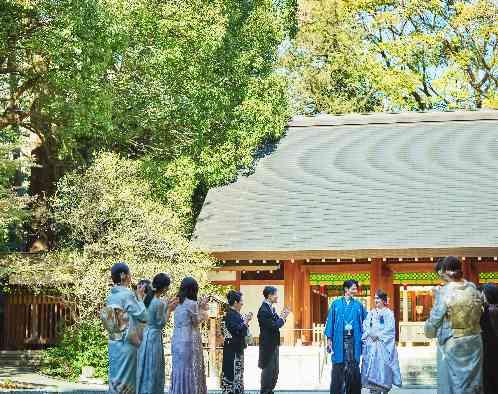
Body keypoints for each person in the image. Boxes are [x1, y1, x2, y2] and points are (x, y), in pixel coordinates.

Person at [424, 256, 483, 394]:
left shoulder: (444, 291)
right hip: (474, 341)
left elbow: (435, 320)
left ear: (444, 271)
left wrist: (429, 330)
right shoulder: (472, 287)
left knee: (452, 384)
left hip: (453, 342)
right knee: (473, 384)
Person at [101, 262, 148, 394]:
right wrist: (139, 297)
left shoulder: (111, 296)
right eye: (129, 274)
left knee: (115, 376)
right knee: (127, 379)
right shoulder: (127, 295)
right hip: (127, 341)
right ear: (123, 275)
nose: (130, 277)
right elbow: (143, 315)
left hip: (114, 342)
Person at [136, 273, 178, 394]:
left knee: (144, 367)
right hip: (154, 337)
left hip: (144, 335)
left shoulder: (147, 299)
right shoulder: (158, 303)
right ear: (165, 288)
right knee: (153, 367)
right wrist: (170, 310)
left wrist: (167, 306)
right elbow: (161, 323)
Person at [325, 279, 367, 394]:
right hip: (339, 339)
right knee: (338, 365)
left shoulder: (358, 305)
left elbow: (367, 320)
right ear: (346, 289)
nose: (355, 290)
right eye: (353, 288)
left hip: (354, 339)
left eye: (355, 288)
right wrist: (329, 339)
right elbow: (330, 322)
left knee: (353, 366)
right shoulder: (335, 304)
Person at [169, 277, 209, 394]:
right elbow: (196, 320)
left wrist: (200, 306)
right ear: (193, 290)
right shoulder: (191, 304)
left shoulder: (177, 302)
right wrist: (203, 309)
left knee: (179, 369)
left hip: (176, 339)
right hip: (189, 340)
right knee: (191, 369)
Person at [361, 289, 402, 393]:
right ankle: (373, 390)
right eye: (374, 298)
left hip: (383, 346)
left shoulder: (389, 313)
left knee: (383, 370)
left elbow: (390, 329)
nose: (375, 300)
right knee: (371, 371)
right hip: (371, 346)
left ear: (384, 300)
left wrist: (378, 335)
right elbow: (365, 325)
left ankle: (383, 388)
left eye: (378, 298)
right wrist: (370, 333)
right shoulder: (371, 313)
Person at [257, 286, 290, 394]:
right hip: (267, 345)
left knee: (275, 370)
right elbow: (275, 325)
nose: (277, 296)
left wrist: (282, 317)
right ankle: (265, 391)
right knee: (268, 370)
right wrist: (283, 317)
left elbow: (278, 321)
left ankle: (270, 390)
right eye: (275, 294)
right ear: (270, 296)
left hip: (274, 343)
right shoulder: (263, 310)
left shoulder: (271, 308)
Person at [221, 290, 253, 394]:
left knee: (237, 376)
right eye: (241, 301)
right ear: (235, 302)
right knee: (233, 376)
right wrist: (246, 321)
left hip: (234, 349)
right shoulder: (231, 315)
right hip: (233, 351)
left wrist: (245, 322)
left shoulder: (234, 314)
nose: (243, 303)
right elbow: (237, 331)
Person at [480, 283, 498, 394]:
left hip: (489, 346)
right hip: (493, 346)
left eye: (483, 293)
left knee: (489, 376)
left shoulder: (489, 310)